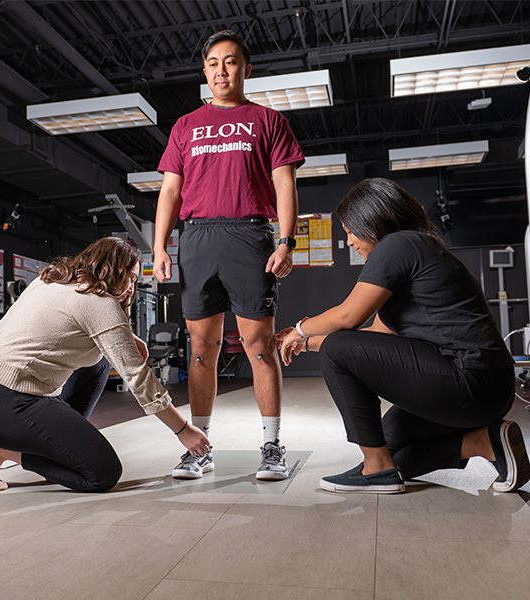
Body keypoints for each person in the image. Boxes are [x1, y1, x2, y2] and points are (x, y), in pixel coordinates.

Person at [278, 177, 530, 494]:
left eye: (350, 230)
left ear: (372, 218)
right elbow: (375, 336)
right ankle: (482, 442)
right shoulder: (416, 249)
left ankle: (376, 470)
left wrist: (300, 329)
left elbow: (348, 316)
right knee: (388, 442)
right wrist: (305, 344)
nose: (349, 241)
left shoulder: (398, 245)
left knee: (340, 350)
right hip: (487, 389)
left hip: (472, 381)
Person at [154, 30, 304, 480]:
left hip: (248, 236)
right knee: (202, 347)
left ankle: (272, 445)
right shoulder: (185, 125)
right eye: (214, 62)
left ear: (246, 68)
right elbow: (170, 191)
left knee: (259, 346)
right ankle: (199, 447)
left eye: (232, 61)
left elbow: (284, 183)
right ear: (205, 71)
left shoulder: (268, 121)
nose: (222, 70)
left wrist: (287, 240)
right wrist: (160, 247)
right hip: (197, 239)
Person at [0, 237, 210, 492]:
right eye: (131, 278)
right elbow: (138, 377)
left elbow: (48, 325)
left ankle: (58, 452)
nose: (131, 289)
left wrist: (122, 337)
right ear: (113, 271)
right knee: (102, 473)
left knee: (98, 365)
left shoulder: (53, 280)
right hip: (5, 403)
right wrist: (183, 430)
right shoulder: (99, 303)